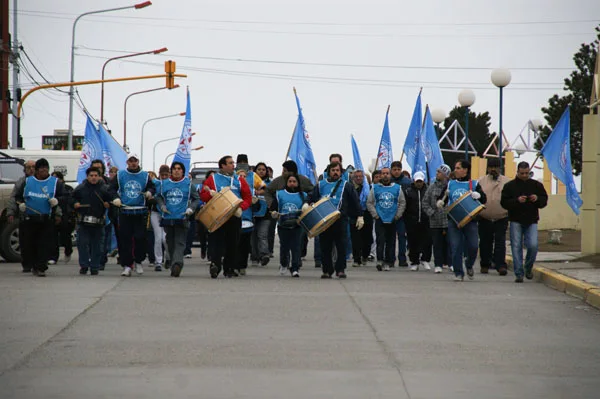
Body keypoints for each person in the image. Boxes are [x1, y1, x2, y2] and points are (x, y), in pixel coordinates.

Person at [8, 158, 64, 277]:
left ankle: (41, 267)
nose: (43, 171)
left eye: (46, 168)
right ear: (37, 171)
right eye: (41, 169)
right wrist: (19, 206)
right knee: (29, 244)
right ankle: (32, 264)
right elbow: (17, 197)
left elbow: (64, 198)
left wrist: (57, 205)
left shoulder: (55, 183)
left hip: (46, 218)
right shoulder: (27, 182)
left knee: (44, 244)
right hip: (29, 218)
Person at [200, 155, 252, 278]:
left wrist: (241, 208)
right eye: (230, 163)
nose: (233, 165)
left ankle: (229, 268)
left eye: (233, 163)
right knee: (216, 241)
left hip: (234, 216)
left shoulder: (239, 180)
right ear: (222, 165)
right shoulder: (213, 179)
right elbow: (203, 195)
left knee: (233, 243)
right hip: (218, 215)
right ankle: (215, 265)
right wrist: (210, 194)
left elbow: (247, 197)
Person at [310, 161, 362, 279]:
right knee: (325, 247)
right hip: (325, 220)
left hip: (340, 220)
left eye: (337, 170)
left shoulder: (347, 185)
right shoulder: (320, 184)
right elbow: (312, 197)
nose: (335, 172)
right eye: (333, 170)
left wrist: (360, 215)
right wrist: (307, 204)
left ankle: (340, 270)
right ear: (329, 172)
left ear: (341, 172)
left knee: (341, 246)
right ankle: (327, 270)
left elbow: (355, 201)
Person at [501, 161, 548, 283]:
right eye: (522, 173)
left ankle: (528, 267)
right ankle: (519, 273)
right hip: (515, 220)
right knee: (516, 247)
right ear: (517, 172)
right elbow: (504, 202)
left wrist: (537, 199)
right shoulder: (509, 186)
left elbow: (544, 200)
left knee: (533, 245)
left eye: (526, 173)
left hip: (531, 220)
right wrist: (517, 201)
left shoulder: (536, 185)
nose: (524, 175)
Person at [110, 153, 155, 277]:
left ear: (138, 161)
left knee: (140, 238)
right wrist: (115, 198)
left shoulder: (145, 175)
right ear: (127, 162)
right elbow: (111, 189)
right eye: (131, 161)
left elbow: (152, 187)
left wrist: (149, 193)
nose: (133, 163)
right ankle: (127, 265)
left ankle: (139, 261)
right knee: (125, 239)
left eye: (135, 161)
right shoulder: (120, 175)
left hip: (140, 211)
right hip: (125, 210)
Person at [155, 161, 200, 277]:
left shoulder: (189, 185)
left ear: (183, 171)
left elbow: (196, 199)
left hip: (182, 217)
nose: (176, 170)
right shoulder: (164, 184)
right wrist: (161, 206)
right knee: (170, 241)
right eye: (174, 168)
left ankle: (177, 264)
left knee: (180, 241)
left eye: (179, 168)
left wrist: (191, 209)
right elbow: (158, 197)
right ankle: (171, 259)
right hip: (168, 217)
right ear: (171, 171)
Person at [446, 159, 487, 281]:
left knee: (473, 246)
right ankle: (458, 273)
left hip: (470, 220)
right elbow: (442, 198)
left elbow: (483, 199)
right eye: (456, 168)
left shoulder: (474, 184)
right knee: (455, 246)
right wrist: (441, 200)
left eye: (458, 168)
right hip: (454, 221)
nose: (455, 170)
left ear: (465, 170)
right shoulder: (450, 184)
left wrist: (478, 195)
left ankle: (469, 264)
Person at [72, 167, 114, 275]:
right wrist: (75, 204)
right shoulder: (80, 188)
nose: (94, 178)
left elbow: (113, 199)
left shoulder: (105, 188)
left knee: (97, 246)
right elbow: (71, 198)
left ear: (100, 176)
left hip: (99, 222)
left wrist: (109, 204)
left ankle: (95, 266)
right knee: (83, 244)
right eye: (91, 176)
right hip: (83, 222)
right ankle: (84, 265)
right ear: (87, 176)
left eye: (96, 175)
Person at [367, 167, 406, 271]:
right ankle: (380, 260)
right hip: (380, 219)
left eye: (387, 173)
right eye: (383, 173)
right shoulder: (375, 188)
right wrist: (375, 215)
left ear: (390, 175)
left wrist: (397, 215)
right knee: (380, 240)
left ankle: (389, 261)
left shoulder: (397, 188)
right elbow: (369, 202)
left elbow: (402, 202)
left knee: (391, 241)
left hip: (392, 219)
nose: (385, 175)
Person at [478, 157, 511, 275]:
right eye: (491, 167)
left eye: (495, 167)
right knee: (485, 242)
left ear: (500, 168)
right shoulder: (480, 181)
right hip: (484, 217)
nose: (493, 170)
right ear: (487, 168)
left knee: (500, 242)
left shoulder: (507, 182)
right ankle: (485, 264)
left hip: (501, 217)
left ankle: (500, 265)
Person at [270, 173, 307, 277]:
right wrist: (273, 212)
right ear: (286, 183)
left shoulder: (303, 195)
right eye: (290, 181)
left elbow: (308, 208)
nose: (292, 183)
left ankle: (295, 268)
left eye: (294, 181)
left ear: (298, 183)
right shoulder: (279, 194)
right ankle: (283, 264)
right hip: (283, 225)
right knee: (284, 247)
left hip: (297, 225)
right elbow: (274, 207)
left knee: (296, 247)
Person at [422, 164, 452, 274]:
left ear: (445, 174)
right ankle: (438, 264)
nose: (437, 174)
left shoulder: (450, 186)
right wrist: (432, 213)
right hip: (435, 221)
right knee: (437, 243)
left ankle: (451, 263)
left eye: (439, 172)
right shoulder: (431, 186)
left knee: (450, 243)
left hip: (448, 220)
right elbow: (425, 202)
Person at [403, 171, 433, 271]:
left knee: (427, 241)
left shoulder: (428, 190)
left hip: (426, 220)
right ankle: (414, 261)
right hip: (412, 220)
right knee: (413, 242)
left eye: (420, 181)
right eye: (417, 181)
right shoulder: (408, 191)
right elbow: (405, 206)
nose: (419, 183)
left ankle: (425, 260)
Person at [49, 171, 75, 264]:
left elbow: (69, 200)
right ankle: (53, 257)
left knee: (65, 236)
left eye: (57, 178)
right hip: (52, 215)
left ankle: (68, 251)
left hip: (65, 215)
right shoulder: (49, 188)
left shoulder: (68, 189)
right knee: (53, 237)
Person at [350, 169, 373, 267]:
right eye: (356, 176)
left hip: (367, 214)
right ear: (353, 178)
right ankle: (356, 259)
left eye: (360, 176)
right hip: (354, 215)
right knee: (355, 238)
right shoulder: (350, 188)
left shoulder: (369, 188)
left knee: (367, 238)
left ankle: (365, 255)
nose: (359, 178)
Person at [251, 162, 272, 266]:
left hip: (265, 214)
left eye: (263, 169)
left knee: (262, 235)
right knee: (253, 236)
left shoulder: (270, 183)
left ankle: (264, 255)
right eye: (259, 169)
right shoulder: (250, 181)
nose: (261, 171)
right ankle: (254, 257)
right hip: (252, 213)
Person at [390, 160, 411, 267]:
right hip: (389, 214)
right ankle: (391, 258)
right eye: (394, 170)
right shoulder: (388, 181)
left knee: (402, 236)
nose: (397, 172)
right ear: (391, 170)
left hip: (403, 214)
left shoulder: (407, 182)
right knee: (391, 237)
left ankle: (402, 259)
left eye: (398, 169)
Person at [149, 165, 169, 271]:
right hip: (155, 213)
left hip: (167, 214)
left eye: (166, 175)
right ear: (159, 174)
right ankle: (158, 261)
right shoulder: (155, 183)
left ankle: (169, 258)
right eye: (162, 175)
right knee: (158, 238)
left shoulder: (171, 184)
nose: (164, 177)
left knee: (166, 239)